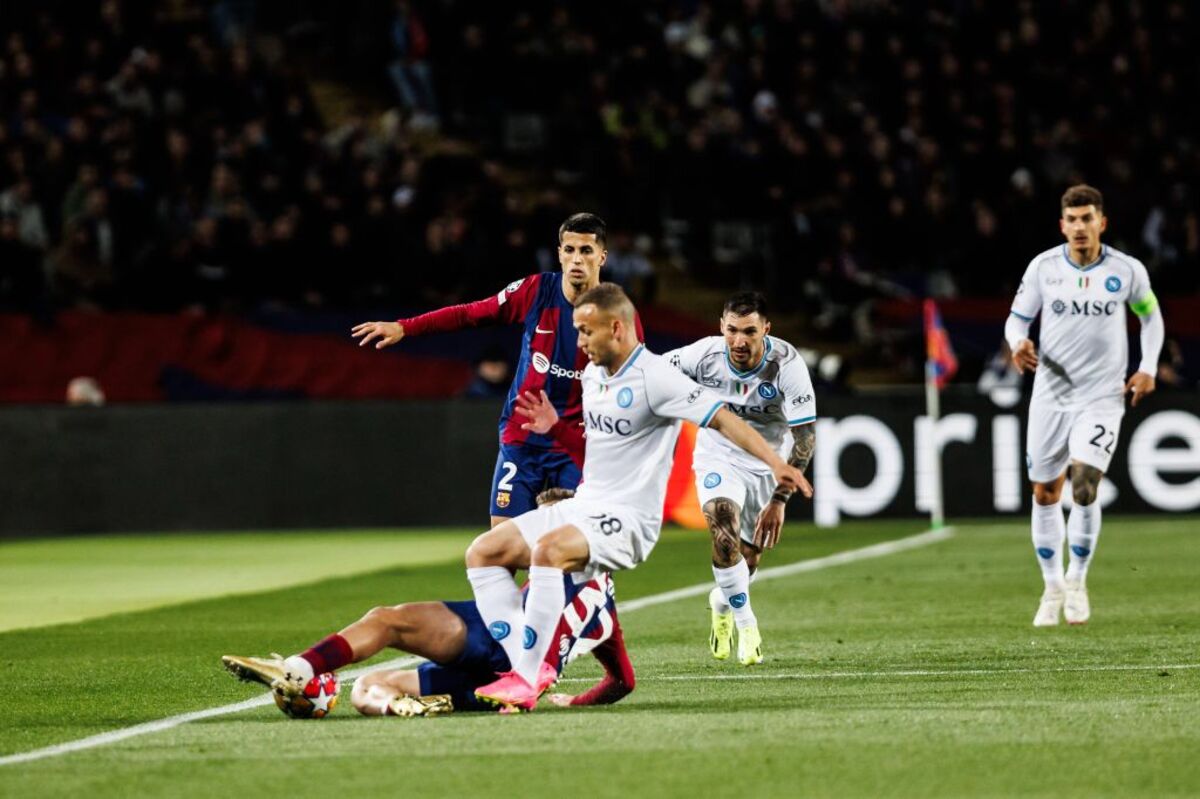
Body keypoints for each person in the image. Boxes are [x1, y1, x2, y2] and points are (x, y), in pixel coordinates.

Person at [464, 283, 810, 711]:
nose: (580, 342)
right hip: (588, 504)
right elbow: (600, 449)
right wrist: (555, 427)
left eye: (586, 332)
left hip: (629, 521)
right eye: (576, 331)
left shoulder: (658, 377)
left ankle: (531, 674)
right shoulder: (593, 376)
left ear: (616, 327)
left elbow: (722, 418)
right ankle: (523, 658)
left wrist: (777, 466)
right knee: (483, 552)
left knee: (548, 553)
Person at [352, 213, 640, 528]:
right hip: (523, 436)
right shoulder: (536, 291)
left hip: (577, 443)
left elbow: (634, 383)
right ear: (558, 253)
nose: (576, 259)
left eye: (586, 251)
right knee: (501, 548)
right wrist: (405, 327)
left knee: (571, 549)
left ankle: (594, 579)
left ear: (602, 256)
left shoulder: (619, 314)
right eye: (569, 249)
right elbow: (470, 314)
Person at [1005, 184, 1164, 627]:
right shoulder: (1044, 268)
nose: (1079, 227)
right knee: (1044, 492)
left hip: (1101, 397)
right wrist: (1018, 343)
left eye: (1087, 218)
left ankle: (1077, 578)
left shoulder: (1126, 271)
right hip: (1051, 396)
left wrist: (1148, 366)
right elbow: (1017, 318)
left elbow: (1150, 315)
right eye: (1072, 220)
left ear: (1101, 222)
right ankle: (1051, 585)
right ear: (1062, 225)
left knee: (1084, 484)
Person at [222, 559, 634, 717]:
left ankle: (300, 668)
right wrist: (573, 698)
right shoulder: (606, 614)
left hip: (494, 639)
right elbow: (622, 683)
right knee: (369, 683)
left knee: (387, 622)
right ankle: (399, 706)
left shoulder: (556, 550)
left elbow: (495, 553)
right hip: (502, 688)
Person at [662, 292, 816, 665]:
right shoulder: (704, 355)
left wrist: (779, 501)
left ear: (766, 329)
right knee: (721, 523)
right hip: (718, 453)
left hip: (768, 463)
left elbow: (805, 437)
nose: (739, 341)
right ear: (721, 327)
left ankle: (721, 601)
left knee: (748, 558)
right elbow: (650, 370)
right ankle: (747, 623)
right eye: (732, 330)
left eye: (749, 331)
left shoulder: (787, 364)